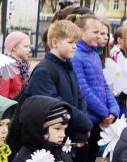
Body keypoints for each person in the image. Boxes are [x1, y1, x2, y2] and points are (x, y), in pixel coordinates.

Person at [23, 21, 93, 154]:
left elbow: (80, 98)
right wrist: (85, 123)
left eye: (76, 43)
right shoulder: (44, 70)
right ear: (55, 43)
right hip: (49, 144)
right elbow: (55, 106)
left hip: (68, 135)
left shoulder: (67, 66)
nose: (74, 47)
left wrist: (81, 128)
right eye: (70, 42)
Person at [72, 15, 119, 162]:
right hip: (87, 119)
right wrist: (105, 113)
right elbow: (83, 90)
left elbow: (104, 85)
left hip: (98, 118)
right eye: (95, 32)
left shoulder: (94, 55)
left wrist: (113, 110)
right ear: (80, 31)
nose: (100, 36)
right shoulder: (76, 56)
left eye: (102, 32)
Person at [0, 32, 31, 100]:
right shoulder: (7, 68)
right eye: (26, 46)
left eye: (29, 46)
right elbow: (1, 98)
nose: (29, 50)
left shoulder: (24, 67)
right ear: (14, 47)